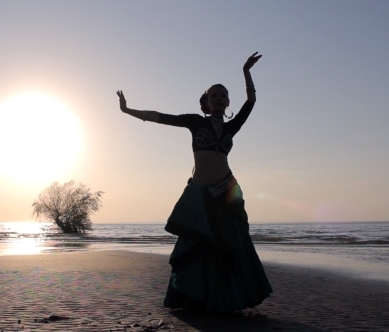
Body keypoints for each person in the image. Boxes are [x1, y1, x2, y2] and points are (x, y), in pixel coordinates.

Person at [116, 52, 272, 313]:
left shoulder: (232, 127)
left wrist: (246, 70)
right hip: (200, 194)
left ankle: (229, 298)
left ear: (227, 101)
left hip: (227, 190)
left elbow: (252, 101)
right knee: (200, 246)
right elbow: (161, 117)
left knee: (232, 243)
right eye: (214, 95)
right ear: (206, 103)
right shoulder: (195, 122)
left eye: (223, 95)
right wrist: (126, 109)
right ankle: (196, 298)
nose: (219, 99)